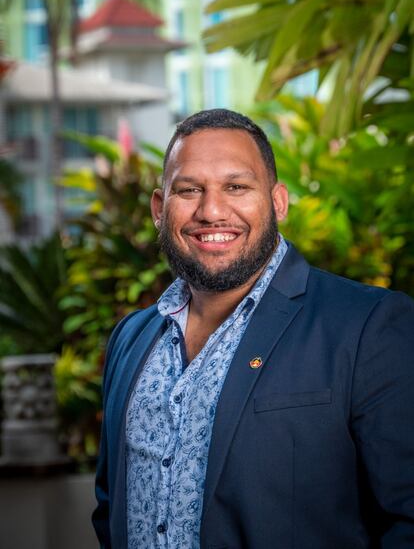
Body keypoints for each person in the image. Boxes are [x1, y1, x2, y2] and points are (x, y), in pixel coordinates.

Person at [92, 108, 414, 549]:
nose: (211, 211)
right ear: (158, 209)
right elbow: (111, 508)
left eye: (236, 187)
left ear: (278, 201)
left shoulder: (368, 326)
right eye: (189, 190)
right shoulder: (131, 338)